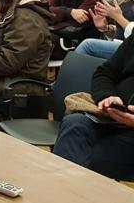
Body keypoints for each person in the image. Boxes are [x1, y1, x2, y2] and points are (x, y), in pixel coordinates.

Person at [52, 33, 134, 180]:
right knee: (74, 123)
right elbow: (105, 73)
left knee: (91, 158)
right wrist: (106, 96)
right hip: (109, 118)